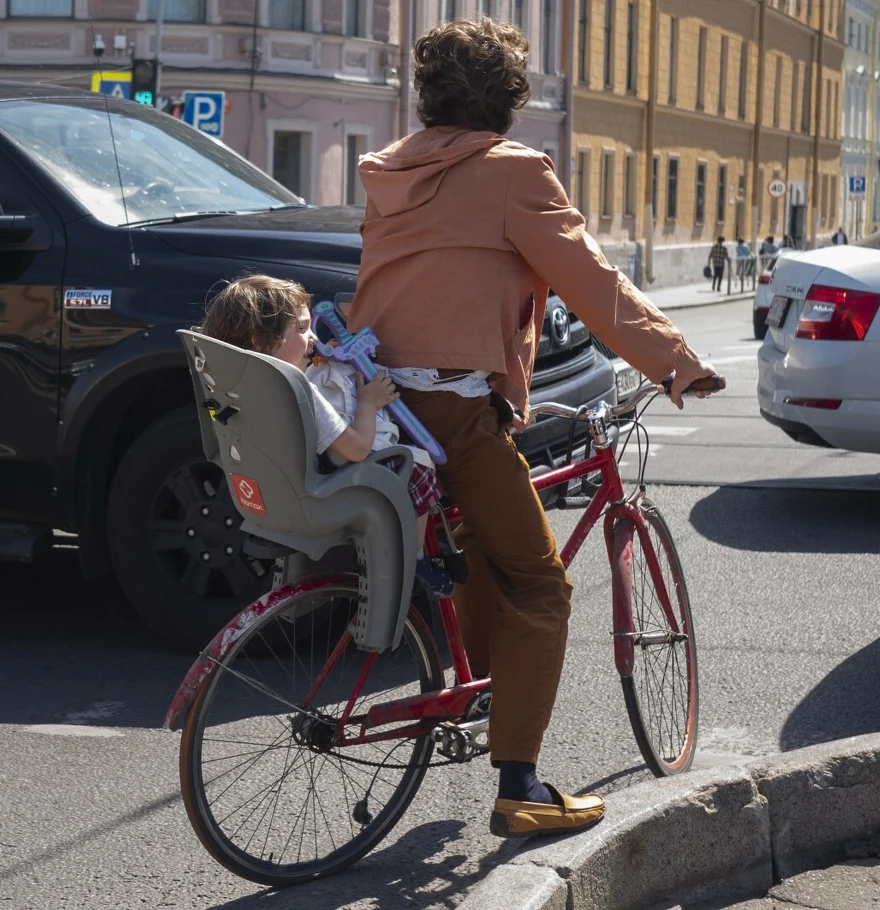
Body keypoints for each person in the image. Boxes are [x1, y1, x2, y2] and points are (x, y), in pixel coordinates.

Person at [347, 18, 721, 839]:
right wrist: (676, 361)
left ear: (429, 94)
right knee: (542, 588)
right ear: (510, 100)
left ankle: (486, 699)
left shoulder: (391, 168)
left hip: (383, 404)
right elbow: (594, 280)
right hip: (453, 408)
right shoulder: (514, 172)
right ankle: (520, 782)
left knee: (485, 554)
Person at [198, 274, 453, 594]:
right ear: (259, 341)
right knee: (420, 467)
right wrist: (369, 402)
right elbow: (357, 448)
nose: (313, 340)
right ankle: (415, 561)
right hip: (324, 494)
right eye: (302, 329)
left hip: (265, 492)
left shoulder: (235, 386)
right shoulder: (296, 388)